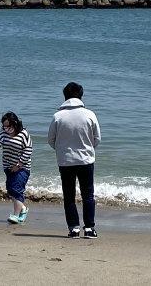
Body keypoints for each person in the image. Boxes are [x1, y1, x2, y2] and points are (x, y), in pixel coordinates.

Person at [48, 82, 101, 239]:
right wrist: (87, 148)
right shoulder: (89, 114)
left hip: (65, 161)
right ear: (81, 96)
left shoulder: (58, 116)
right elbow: (97, 139)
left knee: (69, 196)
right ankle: (90, 228)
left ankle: (74, 228)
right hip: (86, 160)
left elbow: (51, 140)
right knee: (88, 196)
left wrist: (62, 150)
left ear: (65, 96)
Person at [0, 111, 33, 224]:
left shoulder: (23, 133)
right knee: (10, 190)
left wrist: (19, 165)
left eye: (8, 126)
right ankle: (23, 209)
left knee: (17, 189)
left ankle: (15, 215)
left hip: (22, 167)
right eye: (4, 126)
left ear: (15, 123)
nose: (6, 129)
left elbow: (28, 150)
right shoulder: (3, 133)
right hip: (7, 166)